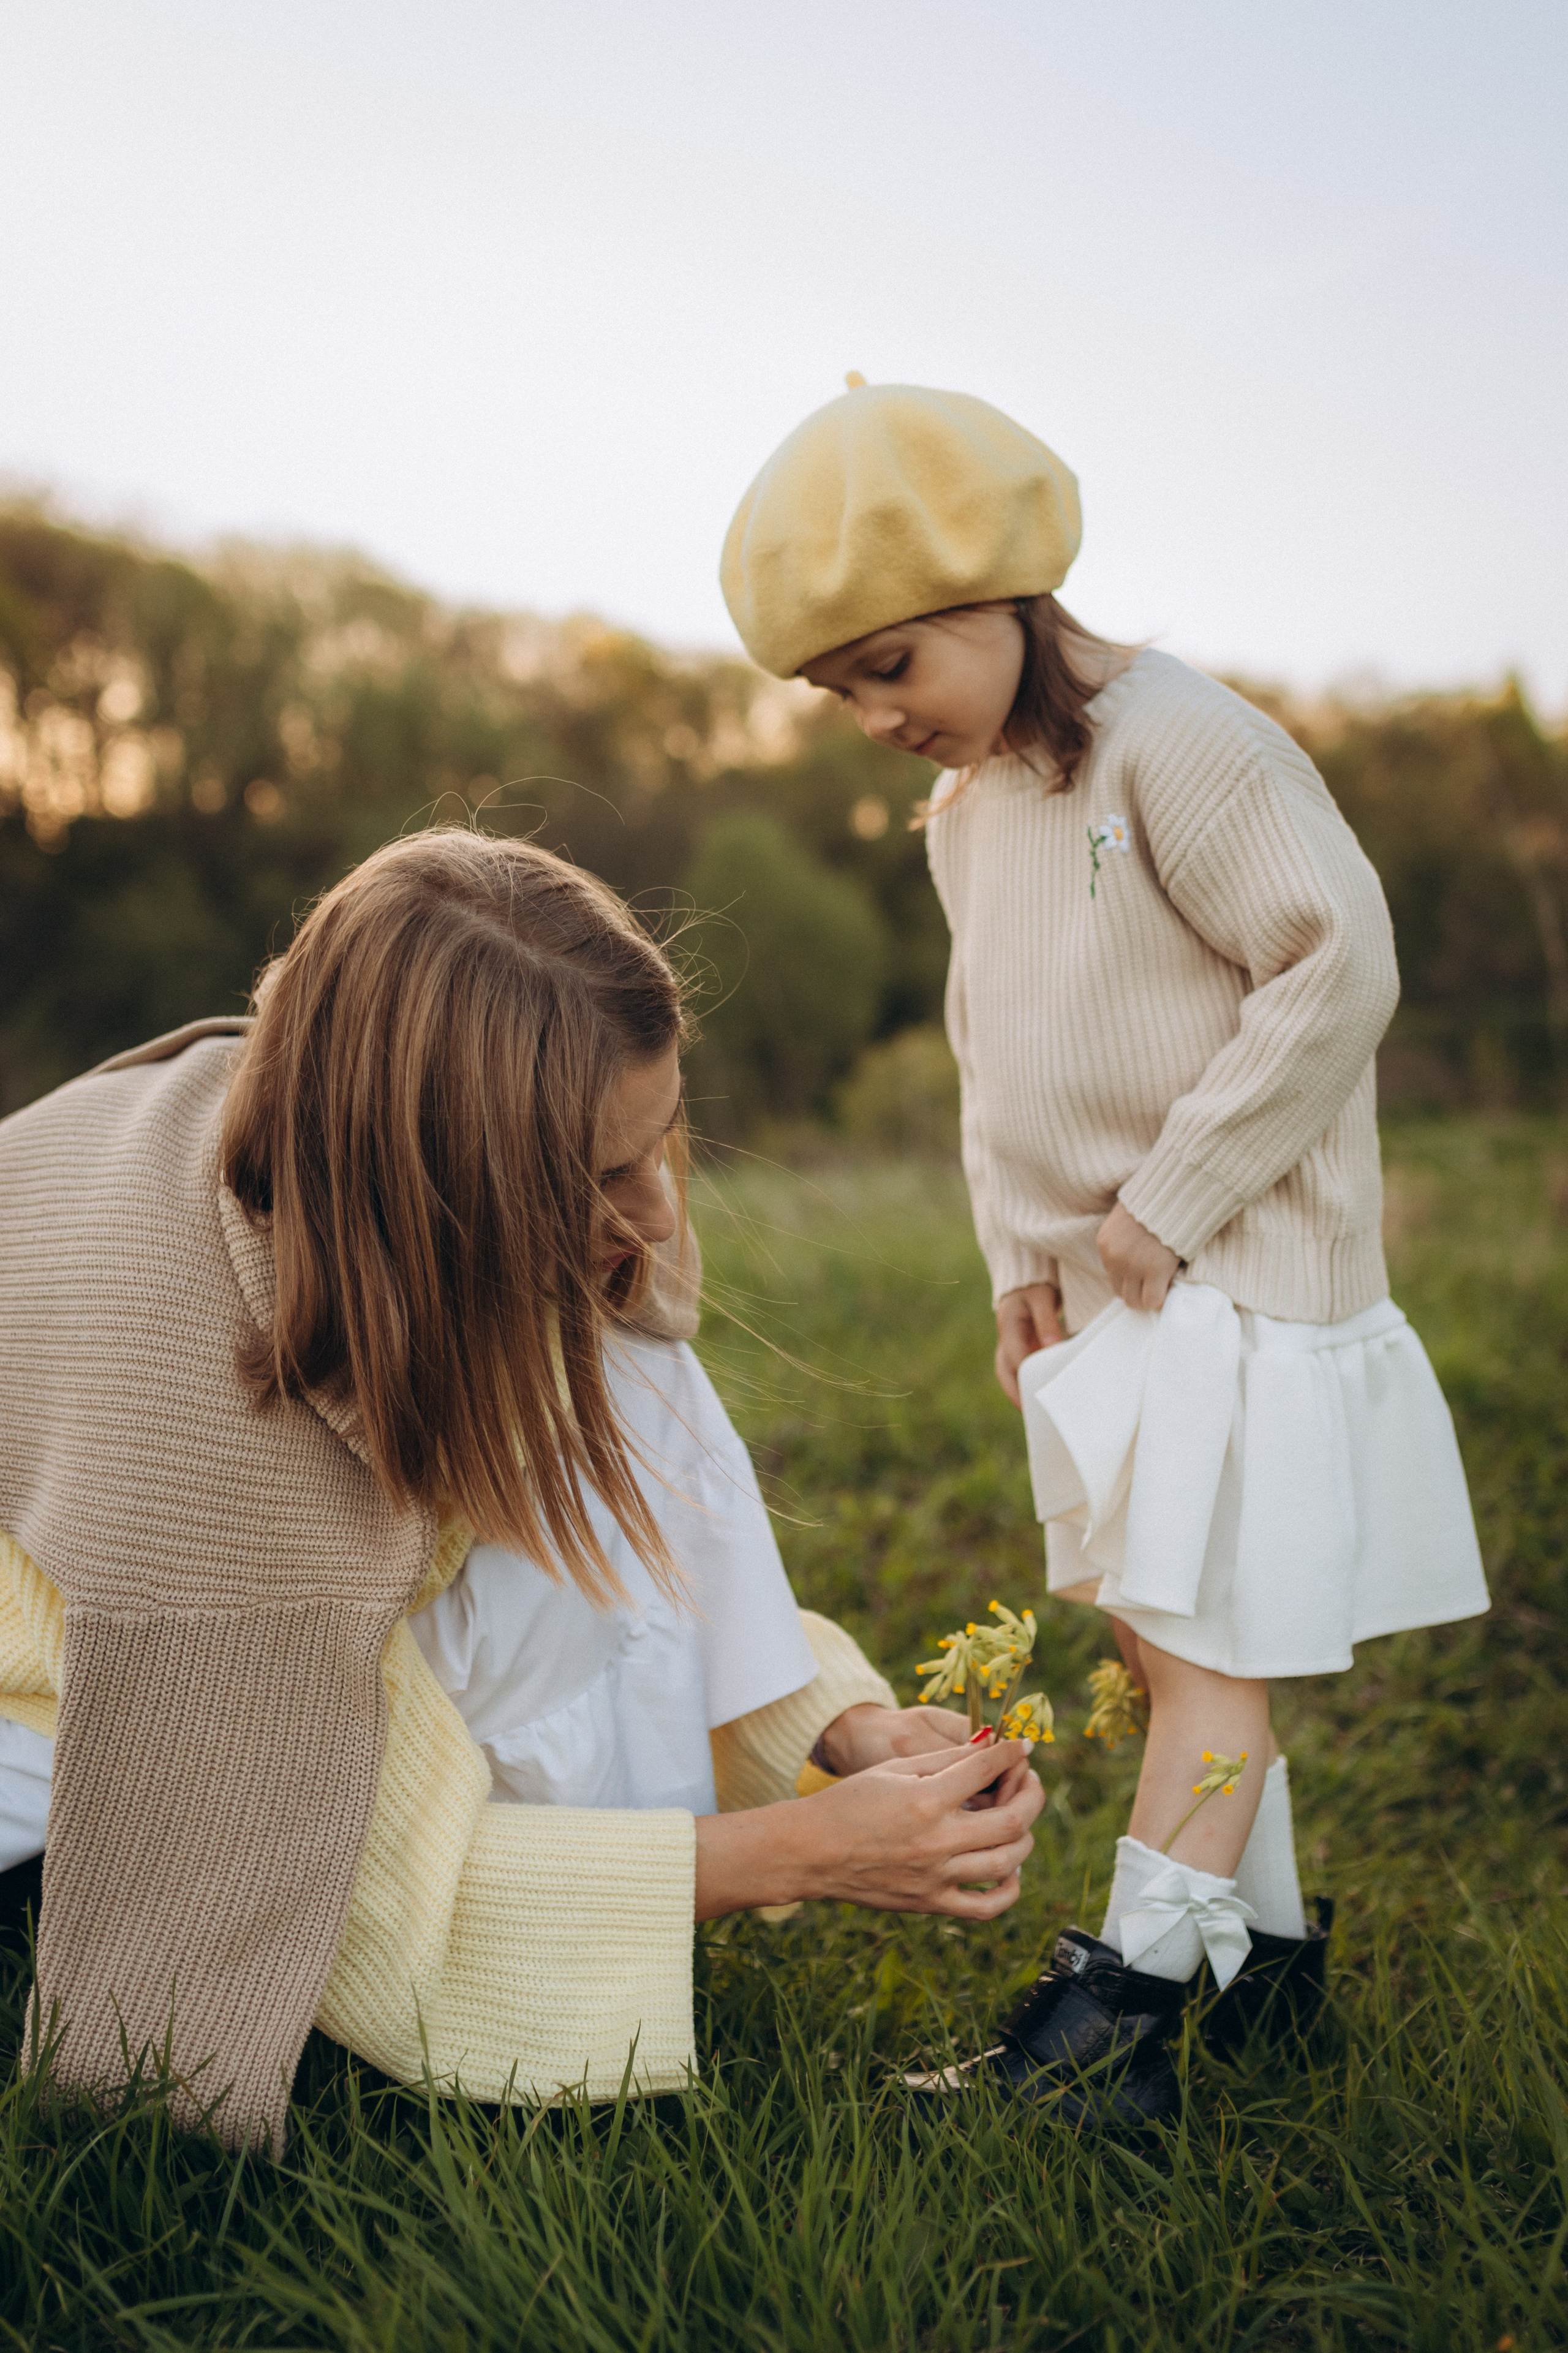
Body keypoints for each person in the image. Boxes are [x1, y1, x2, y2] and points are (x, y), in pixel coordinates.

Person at [0, 828, 1043, 2151]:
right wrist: (814, 1850)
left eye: (659, 1141)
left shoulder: (360, 1157)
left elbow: (661, 1517)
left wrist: (826, 1728)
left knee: (615, 1350)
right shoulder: (212, 1485)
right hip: (77, 1638)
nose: (658, 1211)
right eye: (603, 1177)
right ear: (434, 1191)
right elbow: (356, 1891)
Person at [719, 379, 1488, 2124]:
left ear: (1002, 594)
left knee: (1213, 1645)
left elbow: (1337, 966)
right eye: (838, 689)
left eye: (890, 665)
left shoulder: (1180, 743)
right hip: (1118, 1299)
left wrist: (1173, 1199)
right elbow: (1000, 1062)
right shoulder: (962, 813)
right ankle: (1266, 1971)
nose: (870, 716)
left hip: (1243, 1276)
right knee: (1164, 1641)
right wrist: (1020, 1261)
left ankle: (1125, 2017)